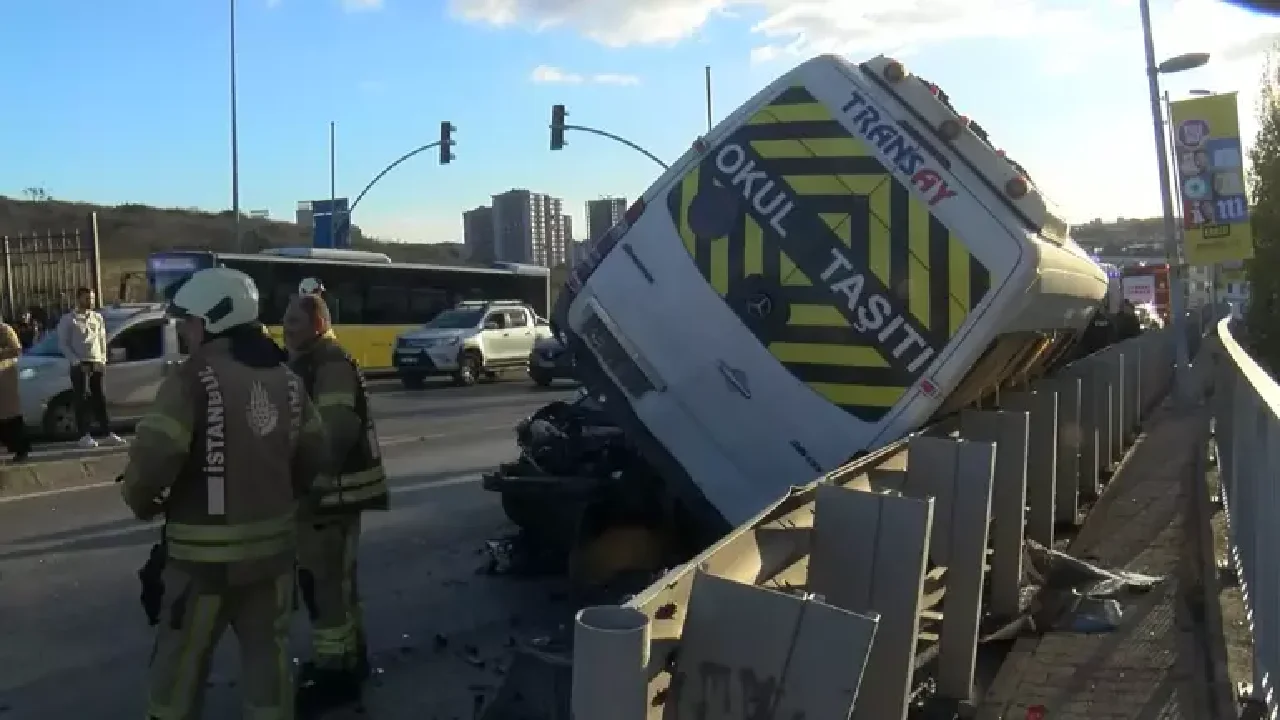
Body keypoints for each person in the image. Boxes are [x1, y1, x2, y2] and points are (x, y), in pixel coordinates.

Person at [118, 267, 329, 720]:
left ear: (211, 321)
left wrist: (139, 499)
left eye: (187, 322)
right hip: (272, 559)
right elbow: (315, 452)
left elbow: (154, 458)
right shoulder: (288, 381)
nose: (184, 332)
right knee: (268, 662)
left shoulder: (194, 378)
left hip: (201, 566)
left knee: (180, 667)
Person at [283, 293, 388, 715]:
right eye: (285, 319)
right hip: (332, 494)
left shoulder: (328, 363)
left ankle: (335, 673)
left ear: (319, 322)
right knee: (339, 586)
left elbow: (336, 430)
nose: (287, 327)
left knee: (324, 588)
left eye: (295, 320)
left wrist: (310, 484)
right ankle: (350, 660)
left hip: (330, 498)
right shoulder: (312, 361)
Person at [56, 287, 124, 448]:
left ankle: (107, 432)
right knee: (82, 399)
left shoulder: (97, 318)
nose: (90, 302)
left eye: (92, 298)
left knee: (99, 398)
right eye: (87, 299)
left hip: (96, 361)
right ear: (78, 299)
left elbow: (101, 340)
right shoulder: (69, 319)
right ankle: (84, 435)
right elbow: (63, 344)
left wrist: (102, 360)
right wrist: (76, 362)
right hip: (80, 364)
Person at [0, 319, 30, 462]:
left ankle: (21, 450)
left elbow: (16, 350)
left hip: (4, 375)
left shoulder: (4, 330)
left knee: (10, 417)